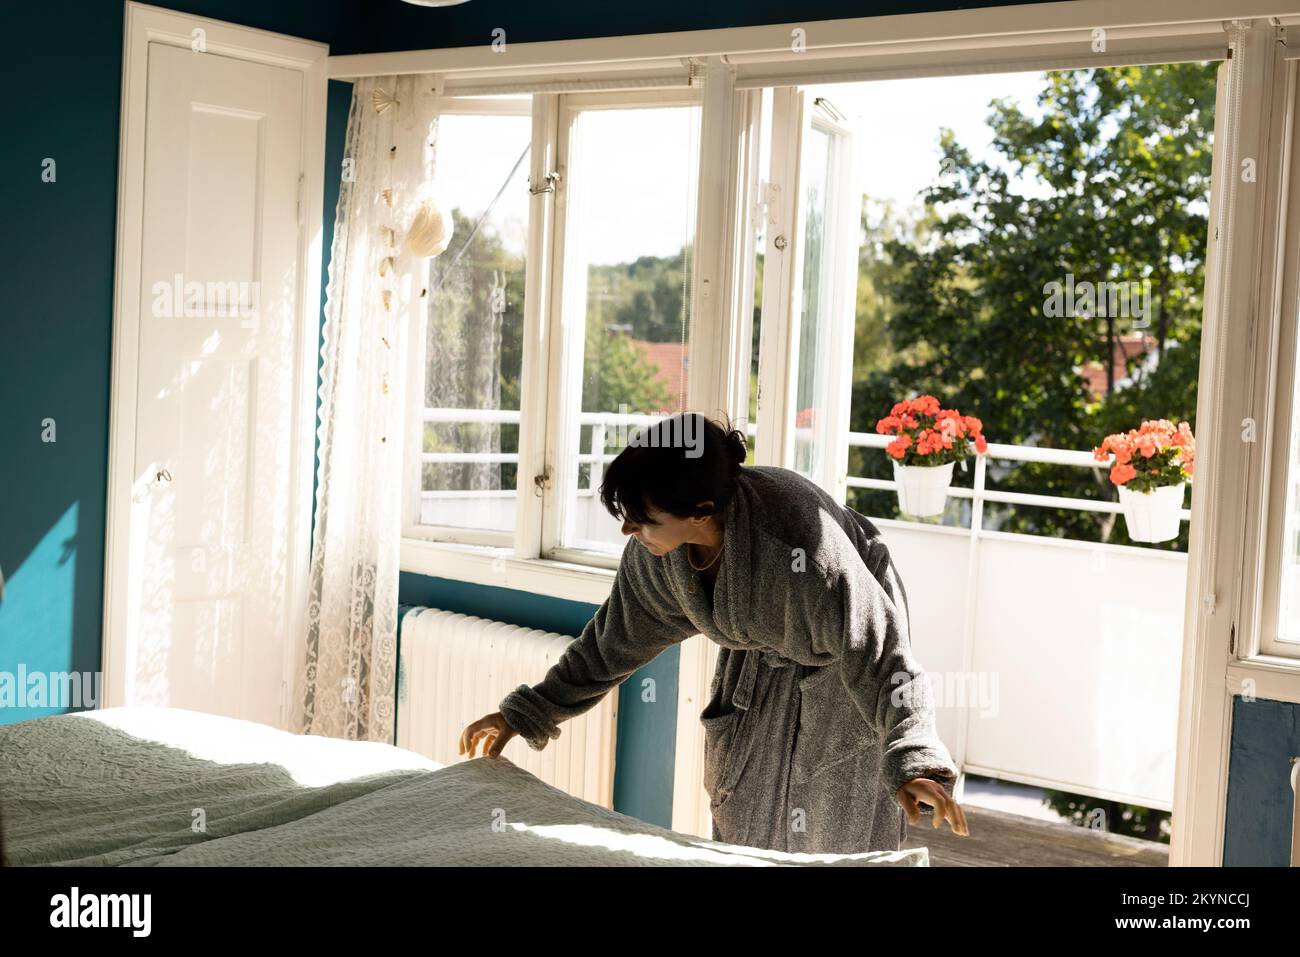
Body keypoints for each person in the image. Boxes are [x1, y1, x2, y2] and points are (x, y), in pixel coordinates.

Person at [460, 412, 968, 854]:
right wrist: (527, 712)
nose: (627, 532)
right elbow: (609, 643)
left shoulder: (802, 551)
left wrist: (914, 755)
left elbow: (882, 656)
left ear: (701, 512)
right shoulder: (659, 555)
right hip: (761, 652)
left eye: (641, 521)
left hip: (844, 665)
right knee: (744, 814)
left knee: (834, 823)